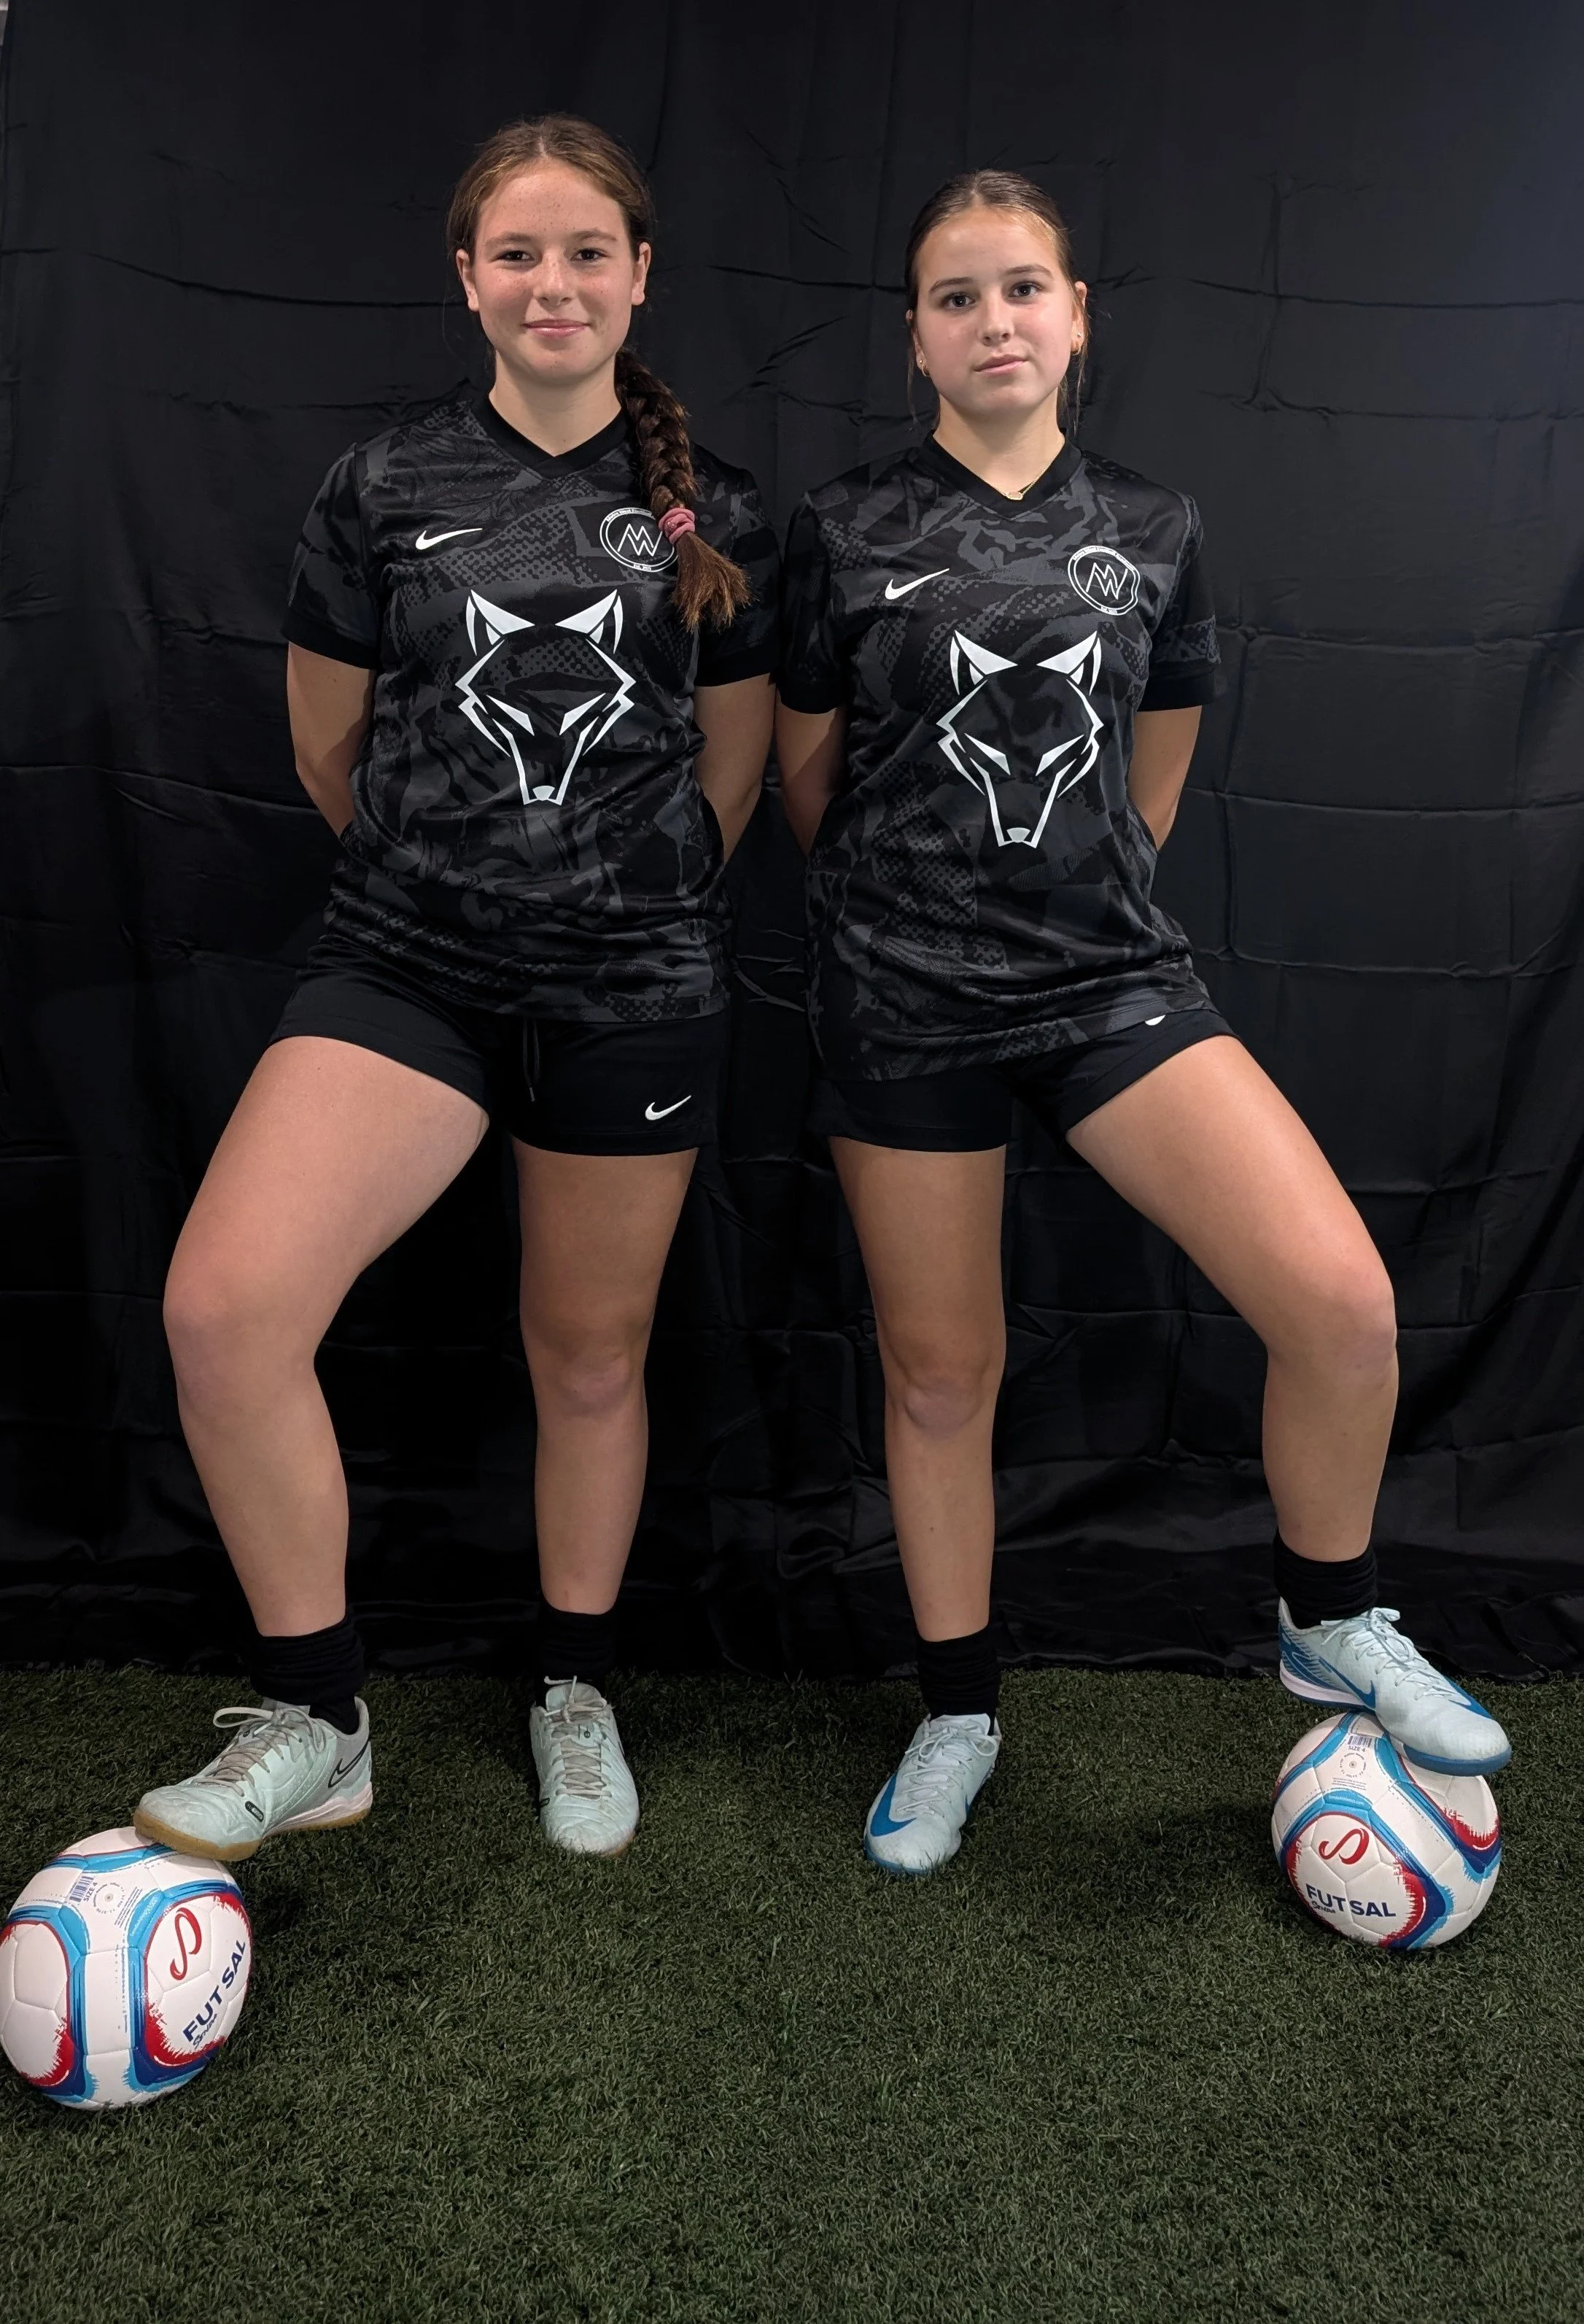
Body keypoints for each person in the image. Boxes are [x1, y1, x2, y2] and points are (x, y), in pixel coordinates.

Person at [774, 169, 1510, 1878]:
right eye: (957, 298)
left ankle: (1330, 1616)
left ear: (1078, 314)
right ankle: (958, 1712)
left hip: (1110, 986)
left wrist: (1075, 900)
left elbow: (1153, 768)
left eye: (1023, 288)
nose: (995, 322)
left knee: (1341, 1303)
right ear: (916, 340)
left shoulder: (1155, 525)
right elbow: (809, 776)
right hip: (901, 1000)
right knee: (941, 1375)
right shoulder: (842, 525)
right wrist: (912, 911)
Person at [133, 116, 777, 1866]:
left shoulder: (723, 512)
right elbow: (324, 746)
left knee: (589, 1352)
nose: (553, 283)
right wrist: (456, 884)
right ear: (469, 279)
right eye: (518, 253)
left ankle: (573, 1684)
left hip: (634, 986)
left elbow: (730, 774)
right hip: (407, 970)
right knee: (226, 1311)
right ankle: (320, 1718)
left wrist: (614, 903)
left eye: (587, 253)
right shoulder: (383, 483)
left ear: (640, 275)